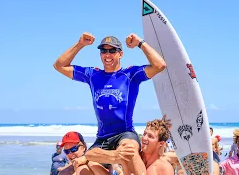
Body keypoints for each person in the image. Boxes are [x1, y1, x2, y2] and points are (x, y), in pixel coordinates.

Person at [54, 32, 166, 175]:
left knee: (129, 149)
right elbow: (59, 66)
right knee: (83, 167)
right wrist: (80, 44)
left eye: (112, 50)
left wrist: (139, 43)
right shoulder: (92, 75)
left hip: (125, 133)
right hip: (102, 137)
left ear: (120, 54)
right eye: (103, 51)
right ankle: (113, 156)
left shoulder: (130, 75)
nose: (107, 54)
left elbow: (160, 65)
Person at [58, 131, 123, 175]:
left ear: (84, 147)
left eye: (74, 149)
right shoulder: (65, 172)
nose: (70, 154)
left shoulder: (99, 159)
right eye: (66, 151)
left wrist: (88, 160)